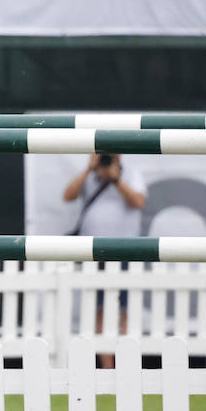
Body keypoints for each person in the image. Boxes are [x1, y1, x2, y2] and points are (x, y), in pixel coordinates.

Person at [62, 154, 147, 368]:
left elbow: (138, 201)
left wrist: (116, 180)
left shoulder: (131, 173)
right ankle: (108, 366)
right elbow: (68, 195)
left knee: (126, 308)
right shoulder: (90, 176)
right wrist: (88, 170)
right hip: (95, 252)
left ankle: (126, 363)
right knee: (98, 307)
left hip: (126, 250)